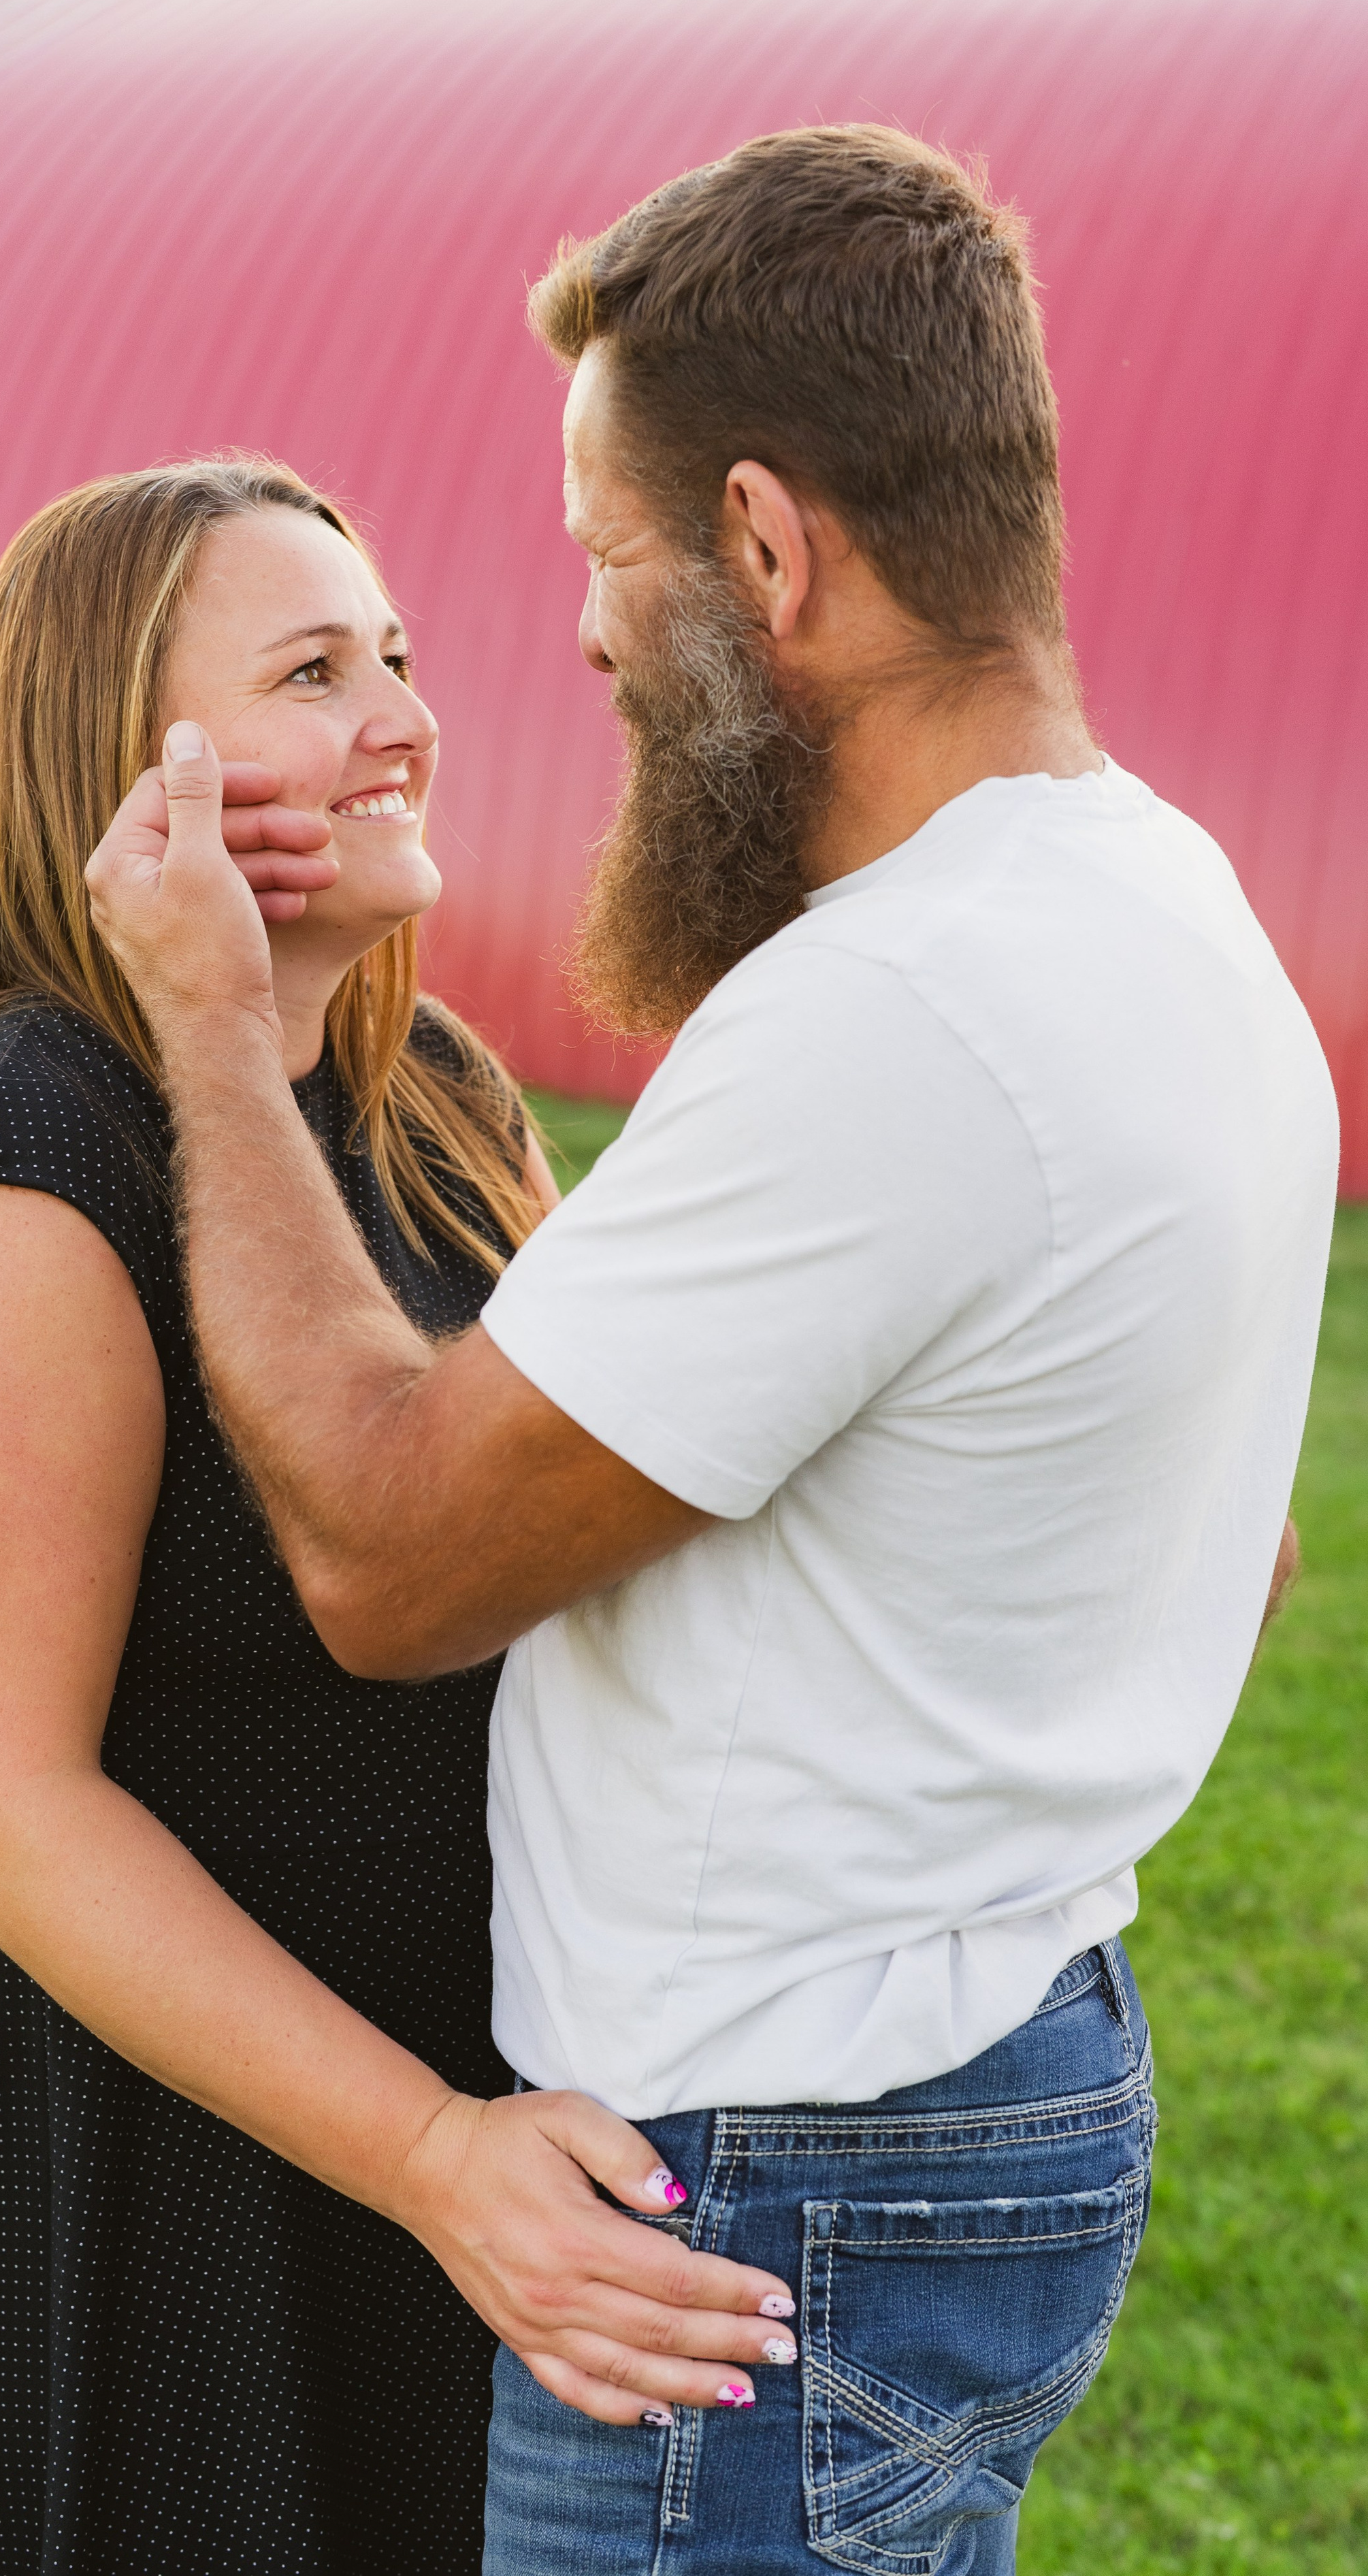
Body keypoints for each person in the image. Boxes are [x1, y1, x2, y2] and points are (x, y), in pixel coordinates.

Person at [83, 129, 1338, 2574]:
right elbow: (1237, 1540)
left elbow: (389, 1555)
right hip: (1000, 2070)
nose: (568, 635)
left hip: (777, 2193)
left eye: (607, 559)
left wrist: (217, 1042)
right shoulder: (1159, 897)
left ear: (768, 547)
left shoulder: (900, 1015)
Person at [0, 459, 798, 2576]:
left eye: (392, 652)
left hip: (453, 2106)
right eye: (312, 673)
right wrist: (427, 2153)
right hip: (136, 2157)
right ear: (120, 775)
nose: (402, 710)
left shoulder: (445, 1102)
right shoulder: (3, 1169)